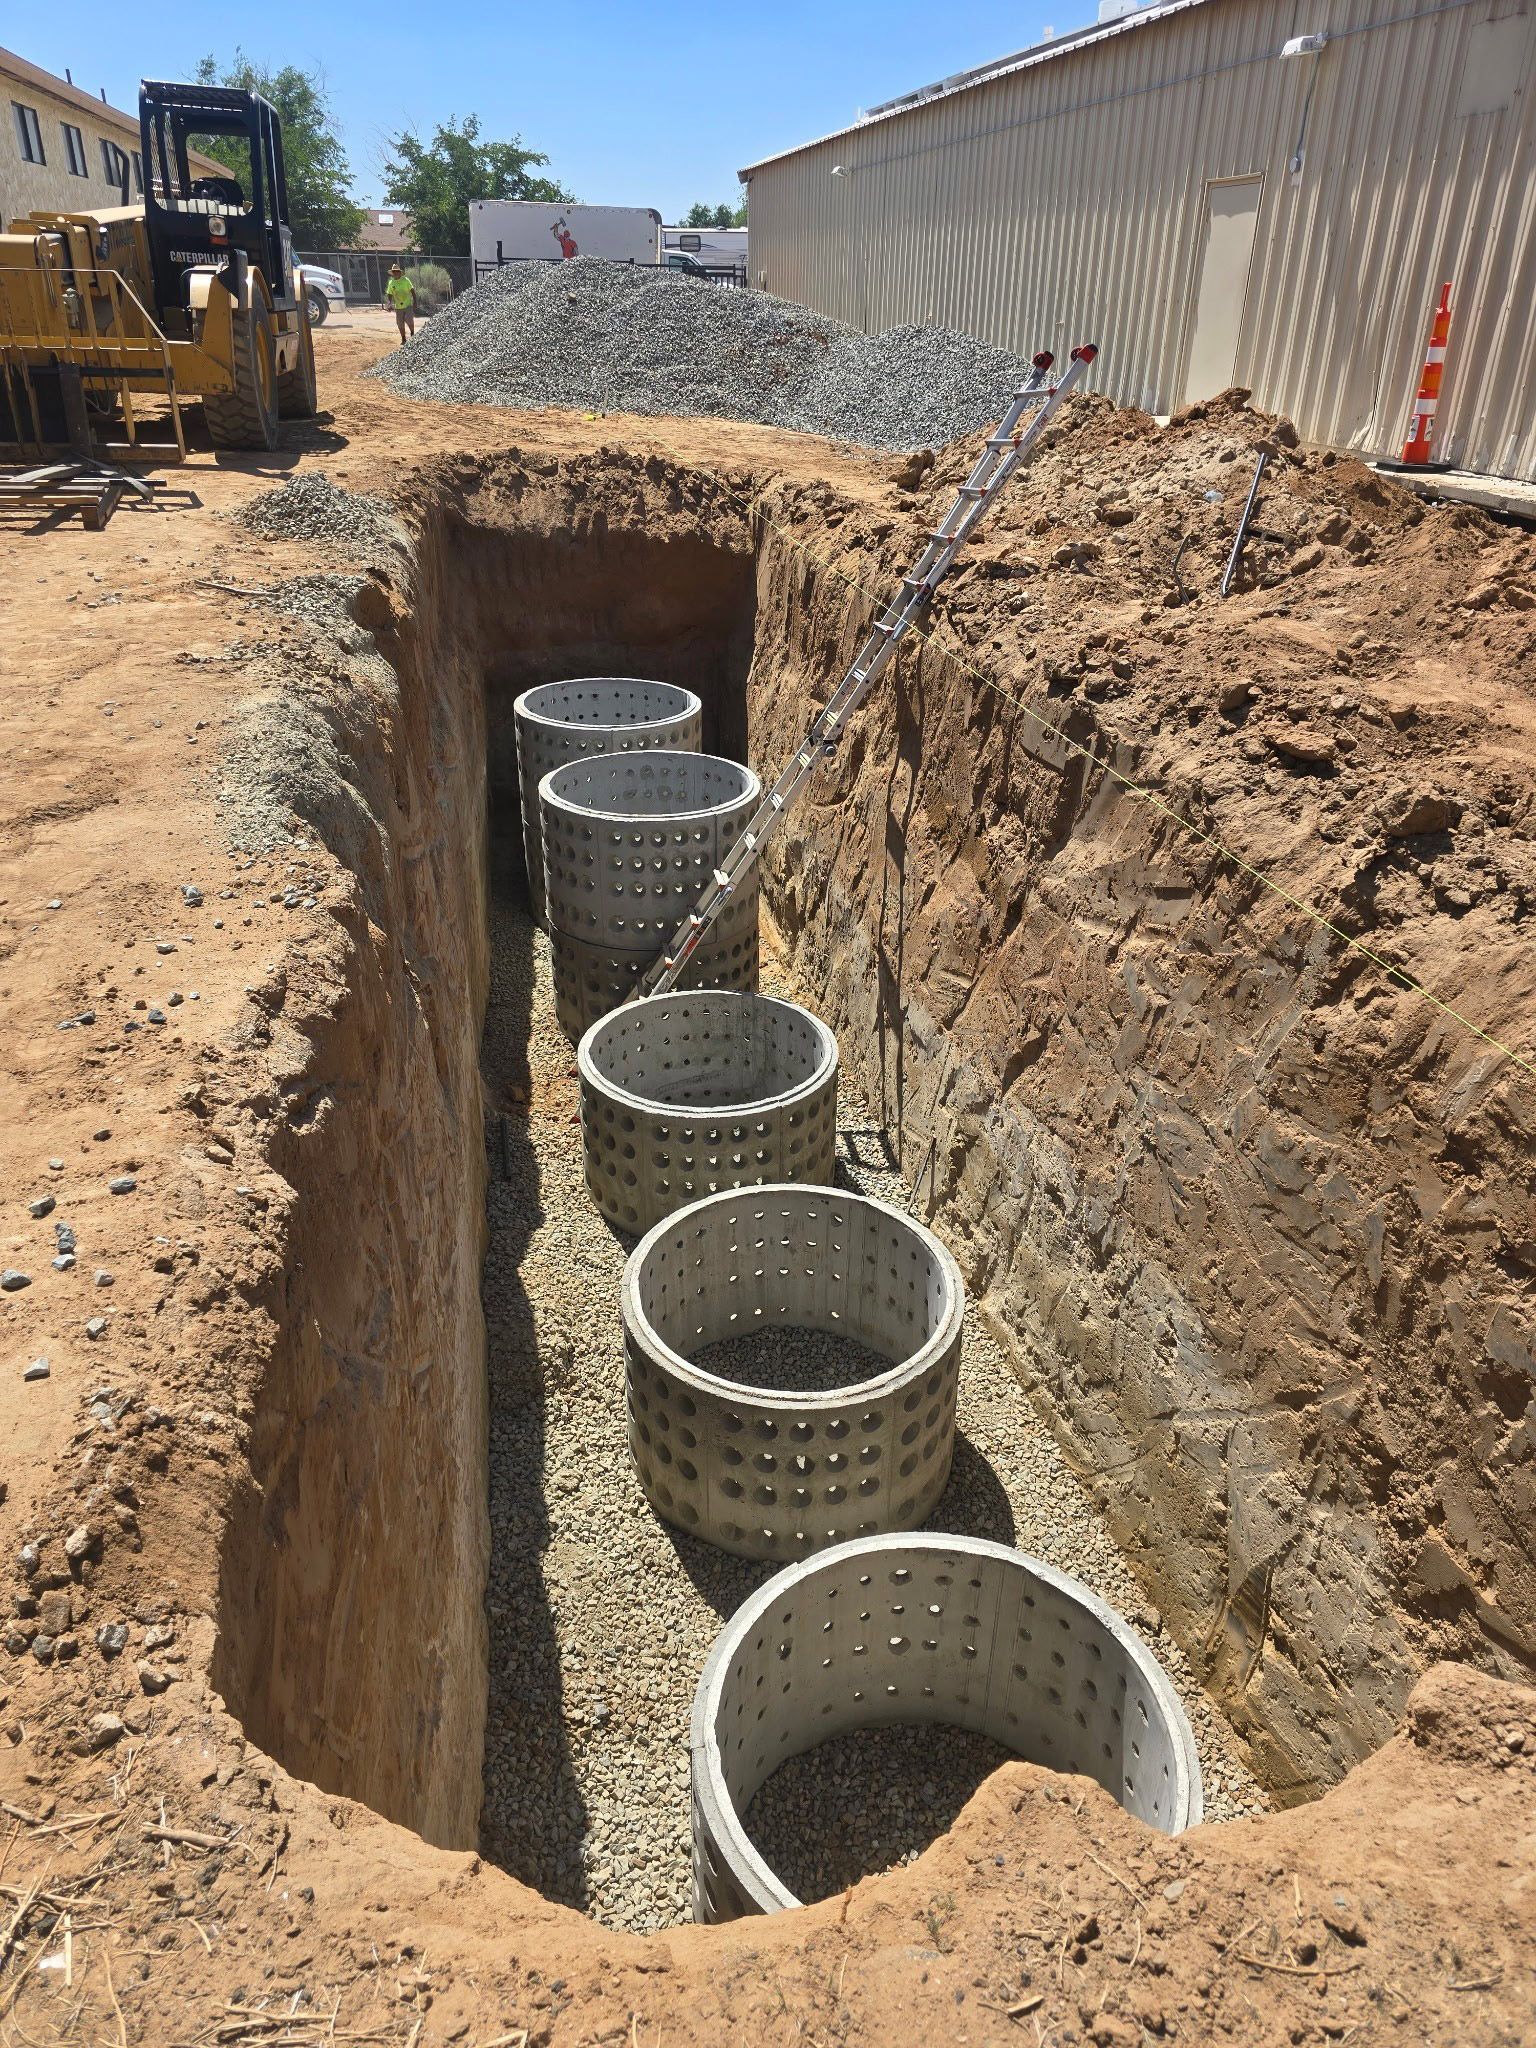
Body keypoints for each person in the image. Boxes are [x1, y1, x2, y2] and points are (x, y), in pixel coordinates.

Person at [384, 262, 417, 345]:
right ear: (392, 273)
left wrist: (415, 301)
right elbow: (389, 293)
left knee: (409, 320)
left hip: (407, 304)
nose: (395, 273)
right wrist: (389, 303)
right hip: (398, 306)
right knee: (400, 323)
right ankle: (403, 339)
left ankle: (412, 333)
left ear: (400, 272)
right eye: (394, 272)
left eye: (397, 271)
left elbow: (412, 290)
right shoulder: (391, 283)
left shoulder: (405, 280)